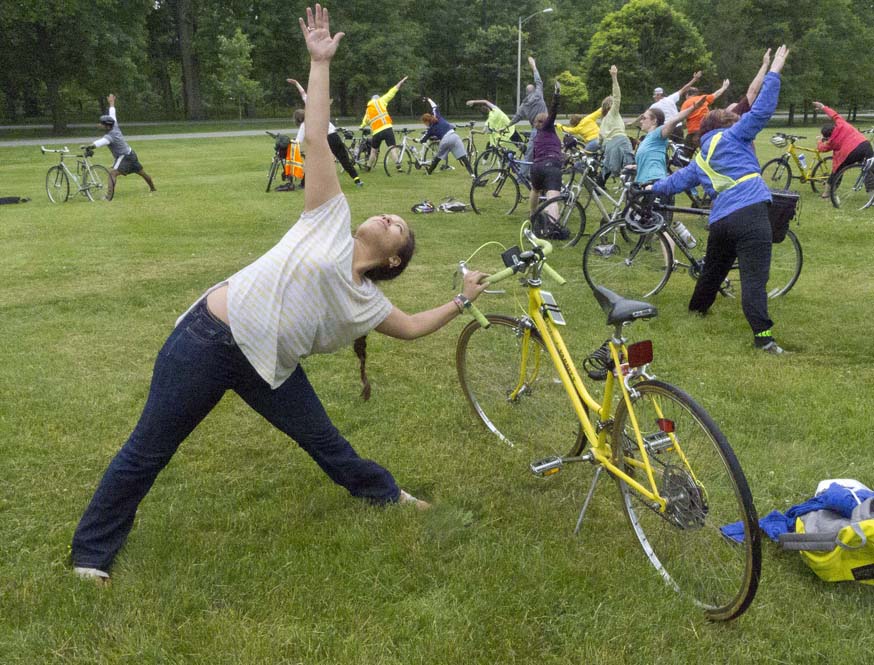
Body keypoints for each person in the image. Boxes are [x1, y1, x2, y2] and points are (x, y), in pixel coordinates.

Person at [70, 5, 488, 583]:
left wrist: (462, 299)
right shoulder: (328, 215)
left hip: (269, 367)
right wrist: (320, 63)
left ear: (394, 259)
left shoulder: (367, 304)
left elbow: (414, 326)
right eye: (392, 213)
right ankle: (91, 555)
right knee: (149, 448)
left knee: (326, 442)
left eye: (399, 226)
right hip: (209, 339)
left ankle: (386, 494)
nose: (390, 214)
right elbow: (315, 134)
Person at [650, 46, 790, 355]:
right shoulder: (735, 135)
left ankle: (696, 311)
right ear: (725, 124)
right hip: (751, 213)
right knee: (755, 278)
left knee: (713, 270)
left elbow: (674, 183)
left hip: (721, 220)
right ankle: (763, 337)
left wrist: (649, 188)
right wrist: (775, 71)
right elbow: (762, 108)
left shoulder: (701, 157)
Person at [287, 78, 363, 187]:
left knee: (313, 162)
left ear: (298, 120)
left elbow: (298, 141)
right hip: (335, 136)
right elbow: (304, 95)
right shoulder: (315, 110)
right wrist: (296, 83)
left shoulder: (305, 125)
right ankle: (357, 180)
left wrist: (292, 143)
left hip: (325, 140)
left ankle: (303, 183)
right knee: (344, 159)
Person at [82, 94, 156, 201]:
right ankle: (153, 189)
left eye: (101, 124)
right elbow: (112, 113)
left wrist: (89, 146)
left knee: (112, 174)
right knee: (141, 172)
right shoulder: (114, 124)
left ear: (107, 126)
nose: (99, 125)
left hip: (124, 157)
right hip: (131, 153)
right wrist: (111, 103)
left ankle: (108, 197)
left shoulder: (110, 136)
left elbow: (100, 143)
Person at [634, 97, 705, 184]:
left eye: (644, 118)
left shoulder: (658, 133)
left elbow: (675, 120)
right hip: (643, 181)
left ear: (654, 121)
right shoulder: (647, 138)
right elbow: (649, 160)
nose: (641, 121)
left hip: (654, 180)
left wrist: (694, 107)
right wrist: (635, 166)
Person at [814, 100, 874, 198]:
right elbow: (834, 115)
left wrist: (820, 141)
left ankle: (827, 194)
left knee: (837, 171)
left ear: (827, 136)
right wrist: (823, 107)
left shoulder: (831, 142)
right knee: (870, 169)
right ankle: (872, 196)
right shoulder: (841, 123)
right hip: (864, 145)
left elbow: (821, 148)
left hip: (850, 153)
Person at [508, 56, 548, 178]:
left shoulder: (524, 105)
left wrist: (506, 126)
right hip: (548, 127)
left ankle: (521, 177)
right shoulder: (539, 93)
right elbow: (538, 80)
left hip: (536, 130)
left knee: (529, 154)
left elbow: (516, 118)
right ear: (534, 90)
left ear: (526, 93)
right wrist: (534, 66)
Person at [529, 81, 563, 219]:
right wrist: (556, 95)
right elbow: (553, 111)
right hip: (551, 165)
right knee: (552, 196)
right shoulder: (548, 127)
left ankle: (532, 215)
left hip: (536, 167)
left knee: (535, 190)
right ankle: (552, 224)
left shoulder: (537, 137)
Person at [360, 75, 408, 170]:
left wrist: (361, 126)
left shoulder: (368, 109)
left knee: (374, 151)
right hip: (387, 129)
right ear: (377, 98)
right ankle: (398, 166)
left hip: (376, 132)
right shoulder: (381, 101)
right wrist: (401, 82)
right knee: (392, 148)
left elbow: (364, 122)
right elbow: (392, 92)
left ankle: (368, 167)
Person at [642, 70, 702, 141]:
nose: (654, 96)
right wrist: (694, 79)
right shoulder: (671, 98)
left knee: (664, 147)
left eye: (655, 95)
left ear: (659, 95)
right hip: (678, 127)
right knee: (680, 148)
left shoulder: (654, 106)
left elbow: (644, 115)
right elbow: (684, 88)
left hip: (668, 128)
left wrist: (633, 123)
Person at [419, 97, 474, 176]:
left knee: (437, 158)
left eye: (424, 123)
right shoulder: (436, 115)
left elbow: (423, 140)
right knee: (464, 157)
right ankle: (472, 174)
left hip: (445, 140)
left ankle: (429, 172)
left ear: (426, 121)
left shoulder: (430, 129)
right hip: (454, 136)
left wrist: (417, 140)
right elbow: (434, 106)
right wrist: (428, 99)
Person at [599, 65, 634, 178]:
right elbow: (617, 96)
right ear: (610, 105)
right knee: (629, 166)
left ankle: (599, 184)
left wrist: (600, 147)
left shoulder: (604, 120)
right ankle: (631, 190)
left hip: (608, 145)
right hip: (621, 140)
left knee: (608, 166)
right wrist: (614, 77)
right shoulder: (613, 112)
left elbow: (600, 137)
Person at [680, 79, 730, 150]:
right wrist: (724, 87)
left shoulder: (686, 103)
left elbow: (681, 117)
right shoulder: (702, 98)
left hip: (693, 131)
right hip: (706, 129)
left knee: (686, 154)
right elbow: (716, 94)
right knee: (707, 151)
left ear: (687, 95)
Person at [726, 49, 771, 117]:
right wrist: (765, 64)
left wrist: (723, 88)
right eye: (736, 107)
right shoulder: (733, 119)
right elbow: (753, 91)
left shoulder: (717, 123)